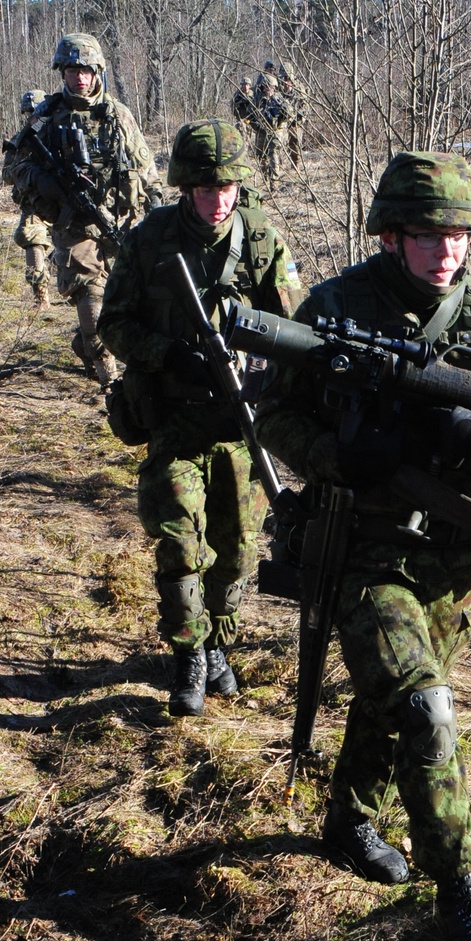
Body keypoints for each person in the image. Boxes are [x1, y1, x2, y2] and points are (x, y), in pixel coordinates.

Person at [255, 150, 471, 941]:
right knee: (422, 703)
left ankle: (348, 819)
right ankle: (458, 889)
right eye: (427, 234)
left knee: (394, 702)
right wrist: (341, 453)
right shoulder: (336, 306)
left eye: (459, 235)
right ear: (390, 234)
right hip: (362, 546)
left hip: (455, 556)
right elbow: (274, 414)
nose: (446, 250)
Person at [97, 120, 303, 717]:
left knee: (237, 551)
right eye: (207, 188)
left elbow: (298, 332)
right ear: (185, 188)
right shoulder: (150, 241)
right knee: (181, 545)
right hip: (175, 422)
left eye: (229, 188)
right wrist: (168, 355)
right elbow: (114, 322)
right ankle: (187, 653)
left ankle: (219, 644)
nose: (219, 200)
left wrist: (265, 377)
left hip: (242, 426)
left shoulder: (262, 242)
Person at [7, 33, 162, 389]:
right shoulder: (46, 116)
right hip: (74, 223)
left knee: (128, 300)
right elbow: (15, 165)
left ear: (98, 72)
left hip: (121, 220)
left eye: (87, 70)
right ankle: (111, 380)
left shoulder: (118, 114)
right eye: (73, 69)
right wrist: (42, 181)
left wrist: (156, 206)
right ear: (62, 72)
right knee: (89, 291)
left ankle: (87, 343)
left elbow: (145, 166)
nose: (80, 77)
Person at [2, 90, 54, 309]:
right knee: (31, 237)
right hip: (34, 203)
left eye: (36, 112)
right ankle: (41, 296)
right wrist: (25, 170)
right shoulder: (20, 139)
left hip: (64, 199)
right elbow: (5, 175)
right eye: (29, 113)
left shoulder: (57, 132)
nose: (32, 117)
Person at [252, 61, 287, 186]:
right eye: (265, 86)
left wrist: (279, 112)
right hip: (262, 130)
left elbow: (287, 114)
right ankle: (265, 177)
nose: (267, 89)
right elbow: (251, 113)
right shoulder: (257, 98)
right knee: (260, 155)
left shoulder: (278, 99)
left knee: (273, 154)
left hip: (275, 130)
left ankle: (274, 182)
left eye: (270, 86)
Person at [279, 71, 305, 169]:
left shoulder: (298, 93)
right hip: (283, 121)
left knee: (295, 143)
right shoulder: (281, 92)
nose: (285, 83)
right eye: (284, 80)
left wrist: (299, 116)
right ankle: (280, 164)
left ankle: (295, 164)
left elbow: (304, 106)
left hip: (295, 122)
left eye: (287, 80)